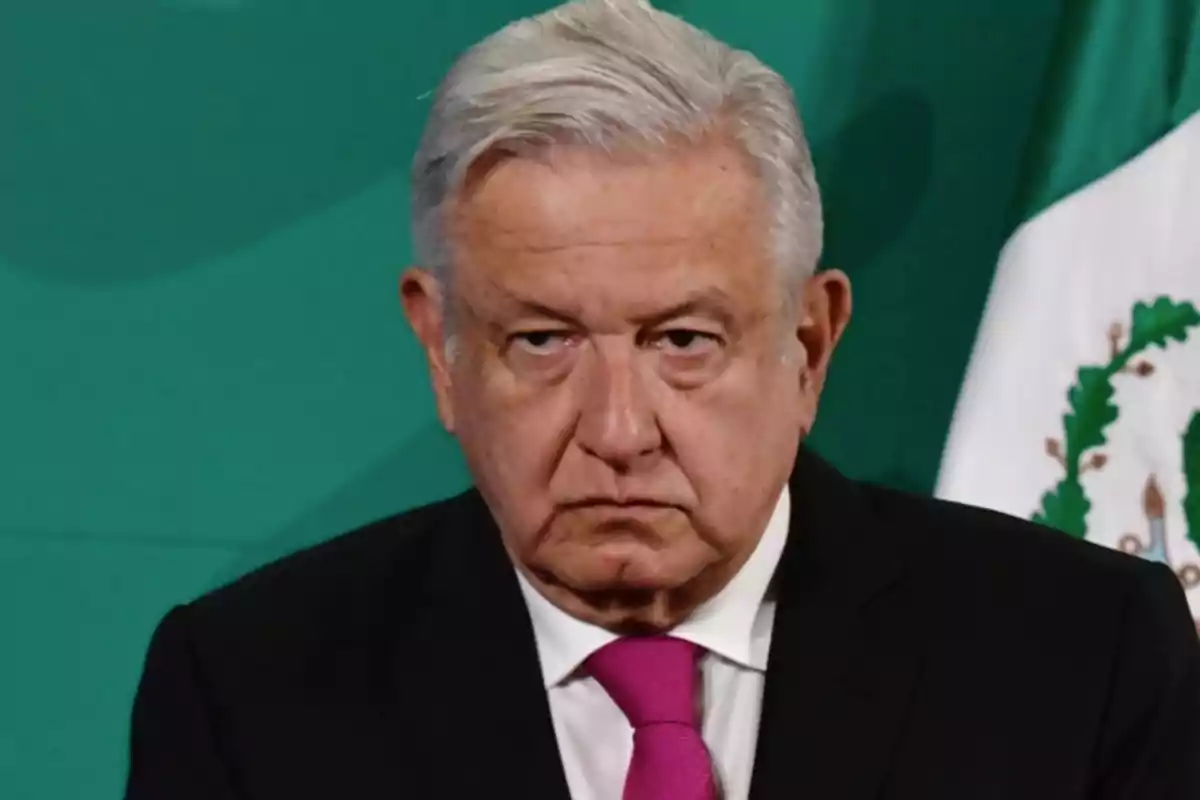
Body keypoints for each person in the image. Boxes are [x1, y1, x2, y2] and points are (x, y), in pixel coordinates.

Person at [123, 1, 1200, 798]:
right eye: (541, 341)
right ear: (441, 350)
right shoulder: (249, 693)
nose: (619, 429)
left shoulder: (1083, 656)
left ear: (810, 345)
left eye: (683, 341)